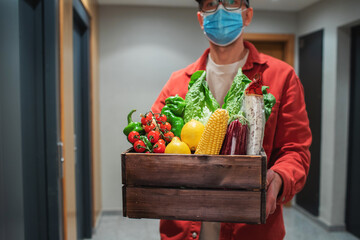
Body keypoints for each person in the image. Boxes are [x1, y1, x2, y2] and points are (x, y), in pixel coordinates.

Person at [151, 0, 312, 239]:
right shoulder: (177, 82)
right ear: (201, 19)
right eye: (210, 4)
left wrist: (278, 177)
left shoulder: (282, 77)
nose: (221, 10)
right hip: (185, 229)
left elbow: (296, 151)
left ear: (247, 16)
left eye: (231, 2)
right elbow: (154, 140)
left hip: (252, 230)